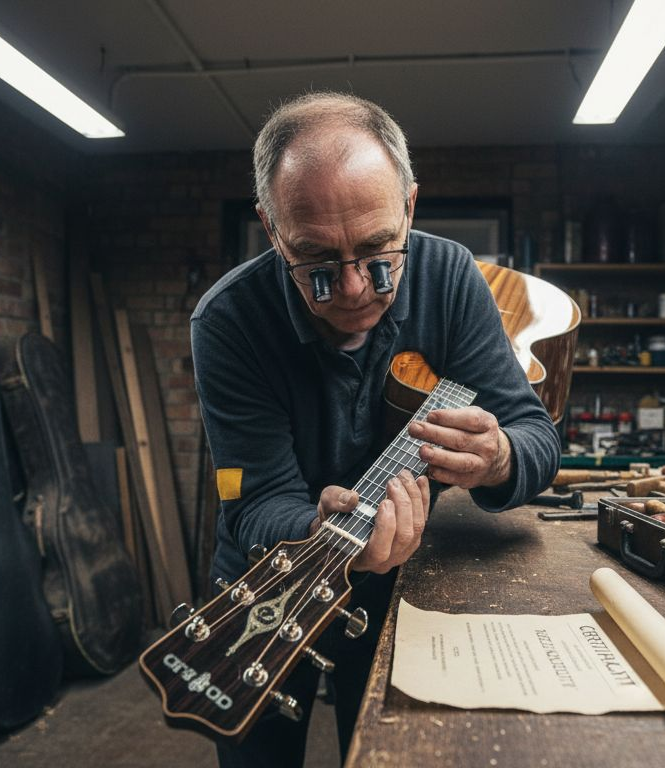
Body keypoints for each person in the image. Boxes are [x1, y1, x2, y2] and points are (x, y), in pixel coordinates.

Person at [190, 91, 560, 767]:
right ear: (272, 229)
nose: (356, 288)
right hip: (267, 582)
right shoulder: (228, 322)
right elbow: (255, 500)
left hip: (399, 583)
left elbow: (536, 433)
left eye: (377, 251)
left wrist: (499, 456)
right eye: (316, 263)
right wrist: (317, 530)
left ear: (409, 207)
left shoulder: (450, 278)